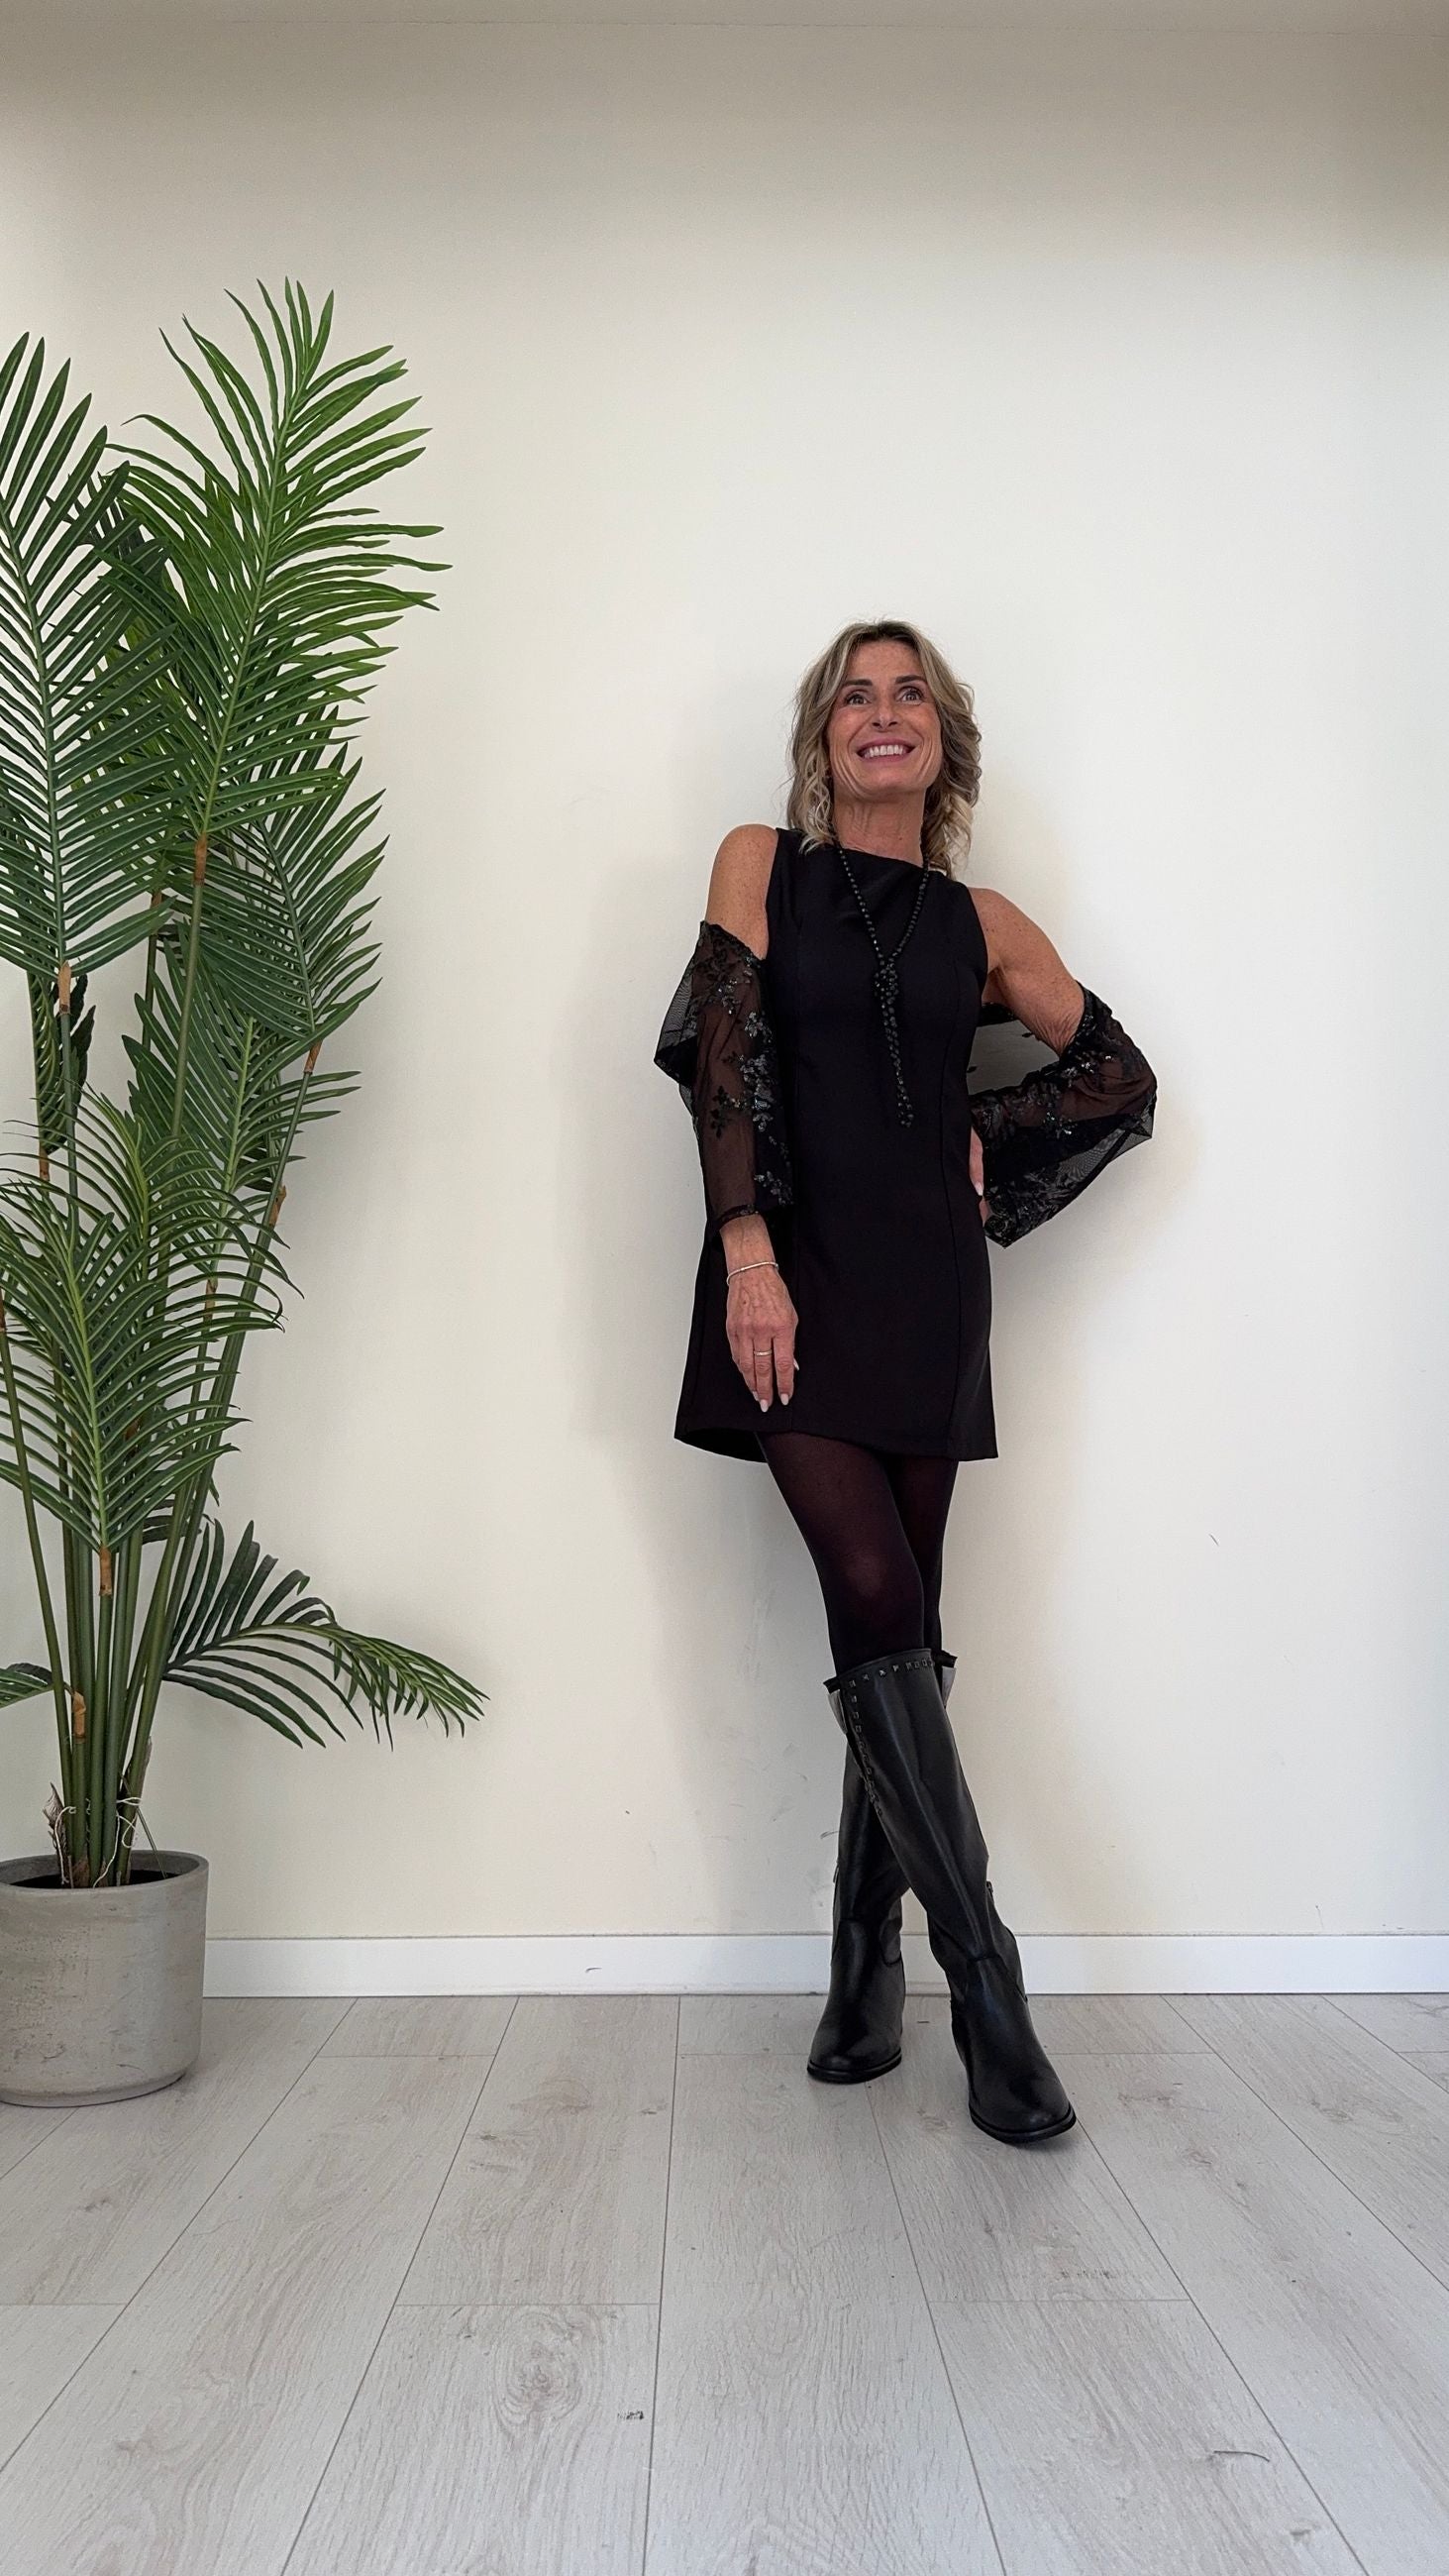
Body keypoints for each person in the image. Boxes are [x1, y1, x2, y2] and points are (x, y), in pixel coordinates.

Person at [654, 618, 1157, 2147]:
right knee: (874, 1595)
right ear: (824, 737)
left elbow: (1121, 1078)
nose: (885, 714)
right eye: (856, 697)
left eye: (911, 695)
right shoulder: (761, 864)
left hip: (932, 1294)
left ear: (945, 740)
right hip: (794, 1278)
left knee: (903, 1630)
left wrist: (985, 1139)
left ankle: (862, 1973)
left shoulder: (985, 923)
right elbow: (723, 1054)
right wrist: (746, 1250)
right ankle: (986, 1986)